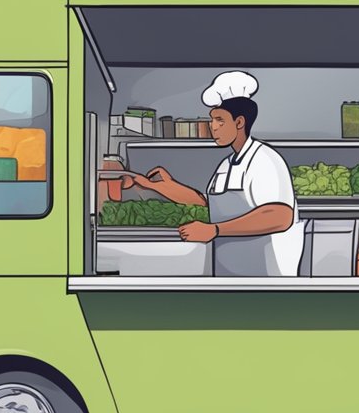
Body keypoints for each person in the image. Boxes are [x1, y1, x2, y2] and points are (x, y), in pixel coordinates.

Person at [120, 71, 303, 277]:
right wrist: (157, 186)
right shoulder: (226, 164)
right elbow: (207, 203)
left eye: (219, 120)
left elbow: (280, 215)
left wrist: (214, 230)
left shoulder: (265, 160)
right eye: (212, 120)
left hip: (268, 276)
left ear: (240, 122)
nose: (212, 126)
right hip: (229, 273)